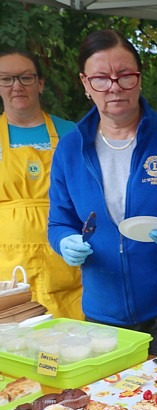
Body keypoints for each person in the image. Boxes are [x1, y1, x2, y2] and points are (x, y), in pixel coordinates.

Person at [48, 30, 157, 360]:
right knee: (112, 408)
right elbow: (59, 222)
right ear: (85, 83)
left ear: (139, 79)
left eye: (125, 75)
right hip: (104, 317)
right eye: (101, 78)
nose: (114, 86)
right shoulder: (70, 148)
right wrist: (65, 242)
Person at [0, 49, 83, 320]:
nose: (16, 86)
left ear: (41, 83)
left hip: (64, 260)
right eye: (6, 79)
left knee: (69, 345)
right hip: (8, 268)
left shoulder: (71, 132)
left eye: (25, 77)